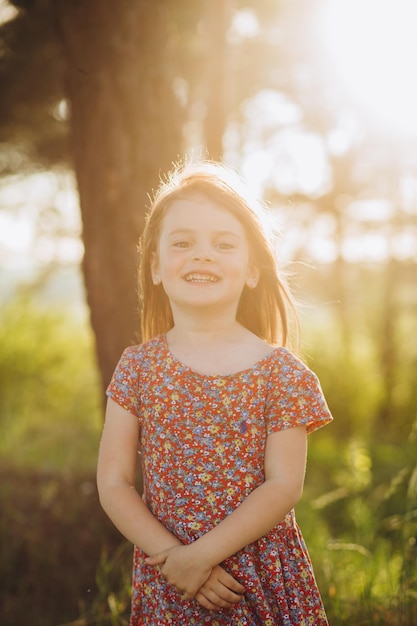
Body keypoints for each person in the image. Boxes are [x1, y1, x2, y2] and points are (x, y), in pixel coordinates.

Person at [97, 160, 333, 625]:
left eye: (223, 244)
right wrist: (177, 559)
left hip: (256, 579)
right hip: (170, 580)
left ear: (251, 271)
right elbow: (113, 482)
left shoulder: (281, 374)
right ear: (157, 267)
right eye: (182, 243)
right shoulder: (138, 369)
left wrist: (203, 555)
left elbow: (284, 485)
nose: (202, 255)